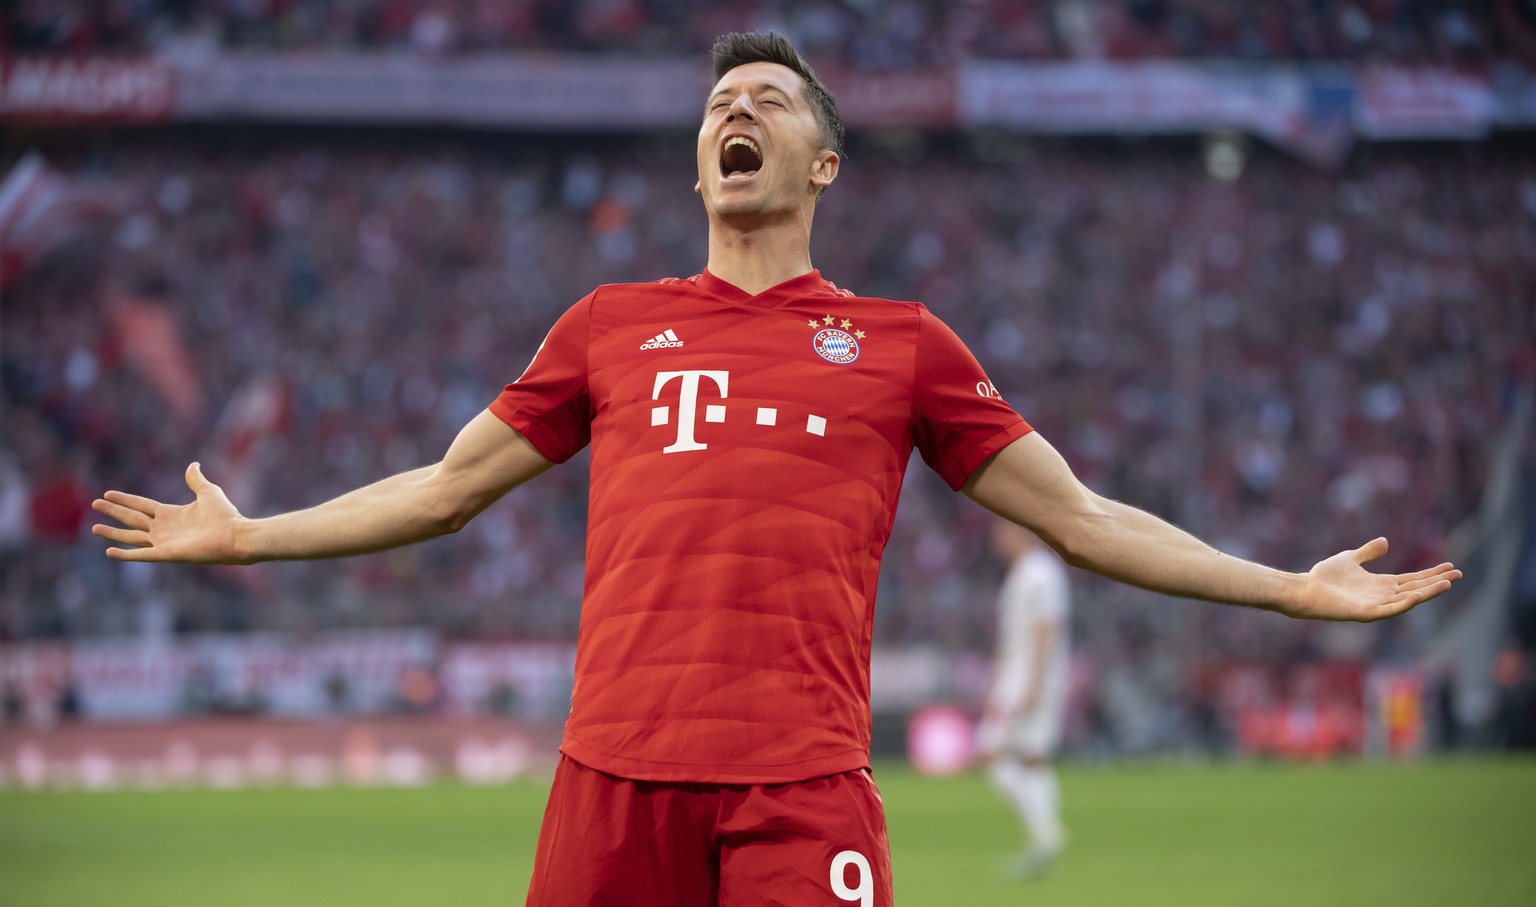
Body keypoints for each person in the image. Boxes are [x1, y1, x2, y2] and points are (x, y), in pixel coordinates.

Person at [91, 31, 1462, 906]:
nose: (734, 111)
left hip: (798, 789)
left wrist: (1286, 587)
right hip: (610, 782)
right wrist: (252, 534)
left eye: (766, 99)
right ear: (702, 164)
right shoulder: (609, 324)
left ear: (824, 158)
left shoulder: (903, 345)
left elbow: (1086, 514)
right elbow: (445, 485)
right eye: (717, 104)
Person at [976, 520, 1071, 878]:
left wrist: (1034, 684)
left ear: (1019, 533)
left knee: (999, 754)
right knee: (1025, 759)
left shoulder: (1040, 573)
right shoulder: (1023, 574)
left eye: (1002, 532)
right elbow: (1012, 637)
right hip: (1015, 680)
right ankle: (1045, 836)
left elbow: (1047, 628)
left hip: (1030, 682)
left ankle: (1046, 836)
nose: (997, 540)